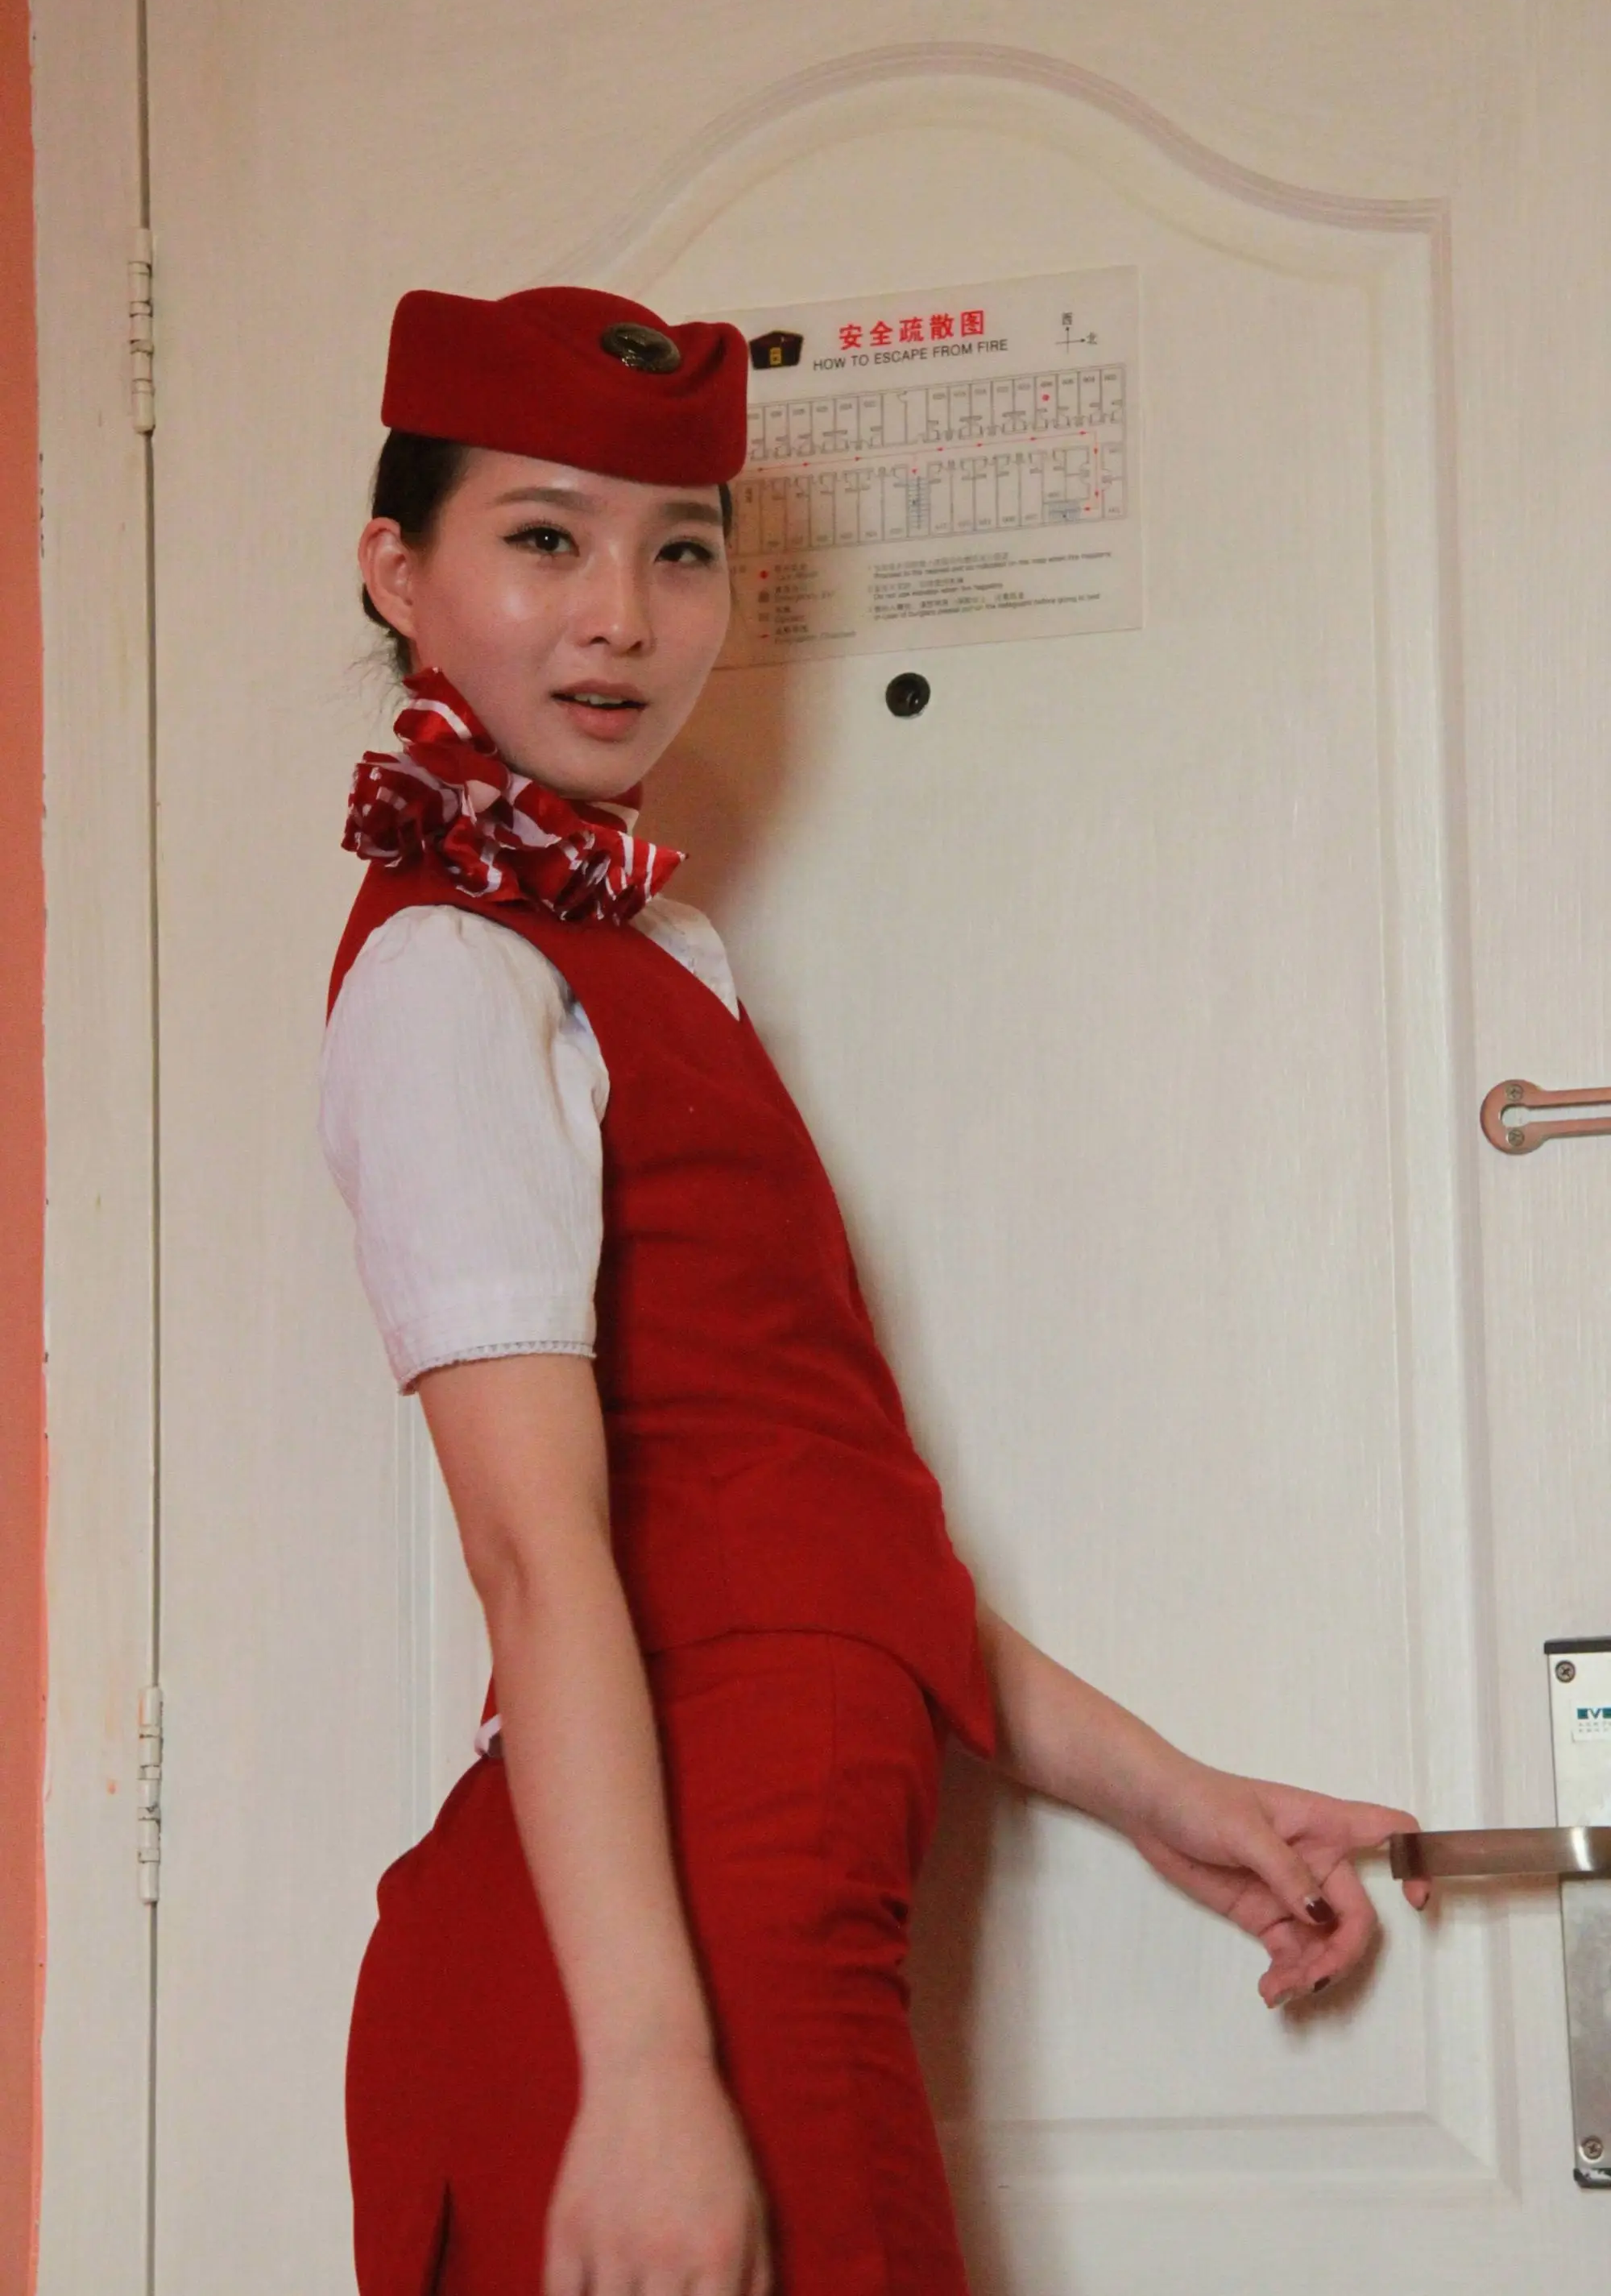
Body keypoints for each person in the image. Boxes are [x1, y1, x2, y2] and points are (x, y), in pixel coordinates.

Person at [321, 283, 1430, 2296]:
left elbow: (809, 1528)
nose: (621, 618)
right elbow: (533, 1556)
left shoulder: (659, 964)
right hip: (666, 1955)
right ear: (401, 573)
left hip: (768, 1899)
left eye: (680, 554)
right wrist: (646, 2070)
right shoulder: (445, 973)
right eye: (546, 539)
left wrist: (1172, 1799)